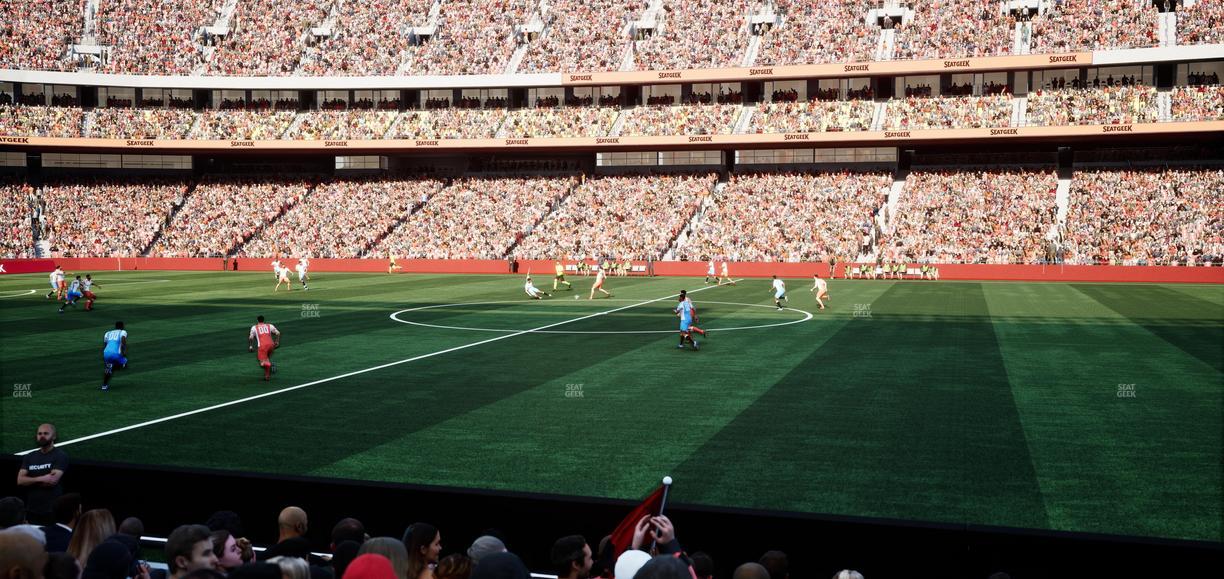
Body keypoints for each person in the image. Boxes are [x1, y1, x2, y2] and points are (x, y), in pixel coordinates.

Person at [16, 424, 68, 525]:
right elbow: (20, 481)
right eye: (39, 433)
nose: (42, 436)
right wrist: (42, 478)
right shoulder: (30, 456)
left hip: (51, 511)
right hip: (31, 509)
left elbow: (51, 482)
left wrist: (30, 480)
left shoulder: (60, 456)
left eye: (46, 433)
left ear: (54, 436)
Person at [248, 316, 280, 381]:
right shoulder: (270, 325)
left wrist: (250, 346)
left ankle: (271, 365)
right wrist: (277, 341)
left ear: (257, 320)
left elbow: (251, 337)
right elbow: (278, 333)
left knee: (262, 364)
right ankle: (267, 376)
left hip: (262, 346)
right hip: (271, 345)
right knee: (266, 360)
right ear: (263, 320)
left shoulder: (254, 327)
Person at [101, 322, 128, 391]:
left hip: (106, 353)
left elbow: (105, 344)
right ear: (122, 326)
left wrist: (104, 353)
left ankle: (104, 385)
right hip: (116, 354)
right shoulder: (123, 332)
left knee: (108, 368)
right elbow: (123, 340)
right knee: (124, 364)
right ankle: (112, 367)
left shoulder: (108, 333)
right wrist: (123, 351)